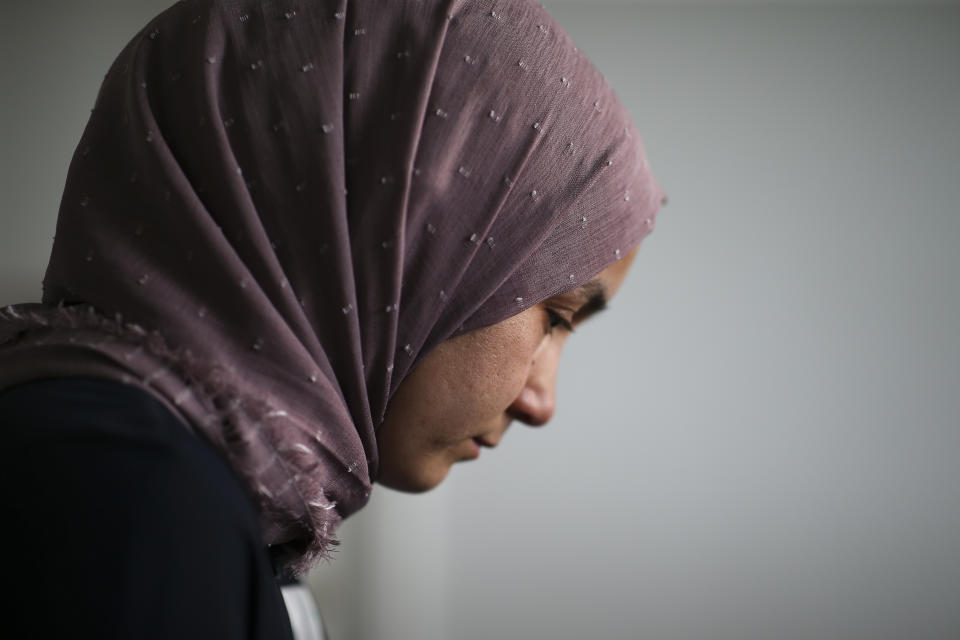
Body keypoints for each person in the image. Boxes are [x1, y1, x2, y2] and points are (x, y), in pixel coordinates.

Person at [0, 0, 664, 637]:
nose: (541, 401)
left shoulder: (186, 478)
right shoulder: (130, 493)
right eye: (556, 316)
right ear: (399, 237)